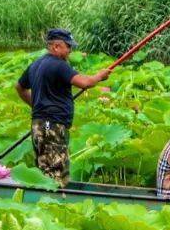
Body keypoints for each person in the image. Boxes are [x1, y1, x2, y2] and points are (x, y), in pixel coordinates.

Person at [14, 29, 110, 185]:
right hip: (52, 126)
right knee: (58, 173)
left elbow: (19, 87)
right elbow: (84, 83)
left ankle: (42, 203)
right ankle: (57, 203)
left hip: (38, 124)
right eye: (68, 47)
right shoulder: (59, 65)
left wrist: (36, 105)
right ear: (56, 47)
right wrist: (99, 76)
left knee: (44, 171)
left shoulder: (35, 65)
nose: (70, 51)